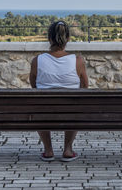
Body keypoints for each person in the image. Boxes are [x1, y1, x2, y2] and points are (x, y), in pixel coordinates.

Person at [29, 21, 88, 162]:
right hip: (70, 112)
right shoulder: (78, 60)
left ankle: (48, 150)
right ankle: (68, 149)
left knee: (39, 107)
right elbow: (85, 86)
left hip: (44, 111)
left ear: (49, 39)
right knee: (75, 107)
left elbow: (34, 85)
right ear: (68, 38)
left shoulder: (37, 60)